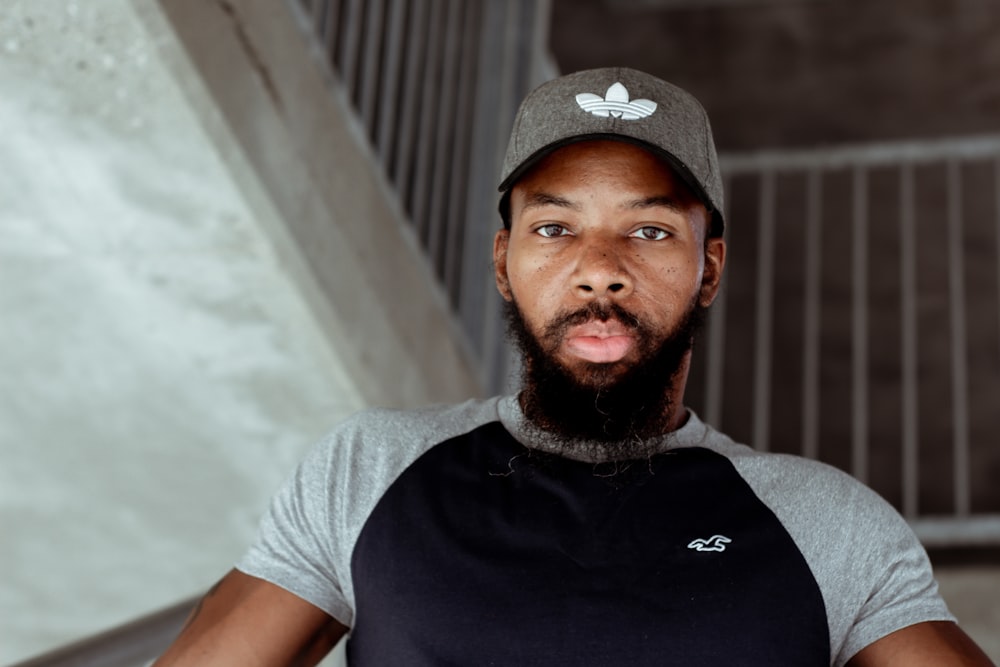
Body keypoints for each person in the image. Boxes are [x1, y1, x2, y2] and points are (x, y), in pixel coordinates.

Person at [153, 67, 994, 666]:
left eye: (651, 230)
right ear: (502, 260)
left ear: (709, 267)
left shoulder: (828, 523)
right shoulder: (368, 471)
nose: (600, 268)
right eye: (555, 229)